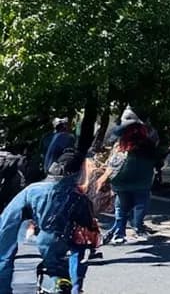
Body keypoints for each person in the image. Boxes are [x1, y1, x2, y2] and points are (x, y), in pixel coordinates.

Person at [0, 148, 99, 294]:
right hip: (62, 239)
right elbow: (86, 222)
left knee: (6, 260)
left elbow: (9, 218)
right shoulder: (78, 196)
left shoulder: (33, 189)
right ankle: (65, 286)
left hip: (38, 238)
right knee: (59, 267)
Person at [103, 111, 159, 245]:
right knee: (141, 203)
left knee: (121, 207)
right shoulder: (147, 141)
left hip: (121, 180)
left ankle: (119, 233)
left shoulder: (120, 141)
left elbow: (111, 157)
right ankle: (137, 227)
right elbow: (156, 158)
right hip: (142, 180)